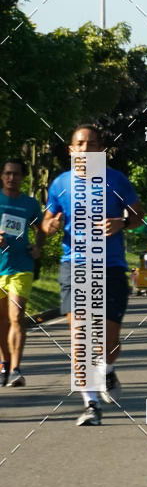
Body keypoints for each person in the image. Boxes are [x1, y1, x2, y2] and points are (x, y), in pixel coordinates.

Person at [42, 124, 144, 425]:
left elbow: (138, 215)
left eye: (92, 144)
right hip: (73, 265)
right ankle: (91, 404)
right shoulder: (60, 184)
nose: (86, 149)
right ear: (71, 150)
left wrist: (121, 223)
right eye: (80, 144)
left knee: (108, 341)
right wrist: (51, 225)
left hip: (110, 267)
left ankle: (107, 371)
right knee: (80, 337)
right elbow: (47, 221)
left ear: (101, 149)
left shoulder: (116, 180)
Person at [0, 158, 45, 387]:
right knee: (1, 321)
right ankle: (4, 364)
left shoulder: (30, 204)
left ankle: (16, 369)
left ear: (23, 177)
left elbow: (41, 228)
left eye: (16, 174)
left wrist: (38, 247)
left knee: (16, 316)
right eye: (8, 173)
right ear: (2, 176)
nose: (12, 178)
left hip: (21, 267)